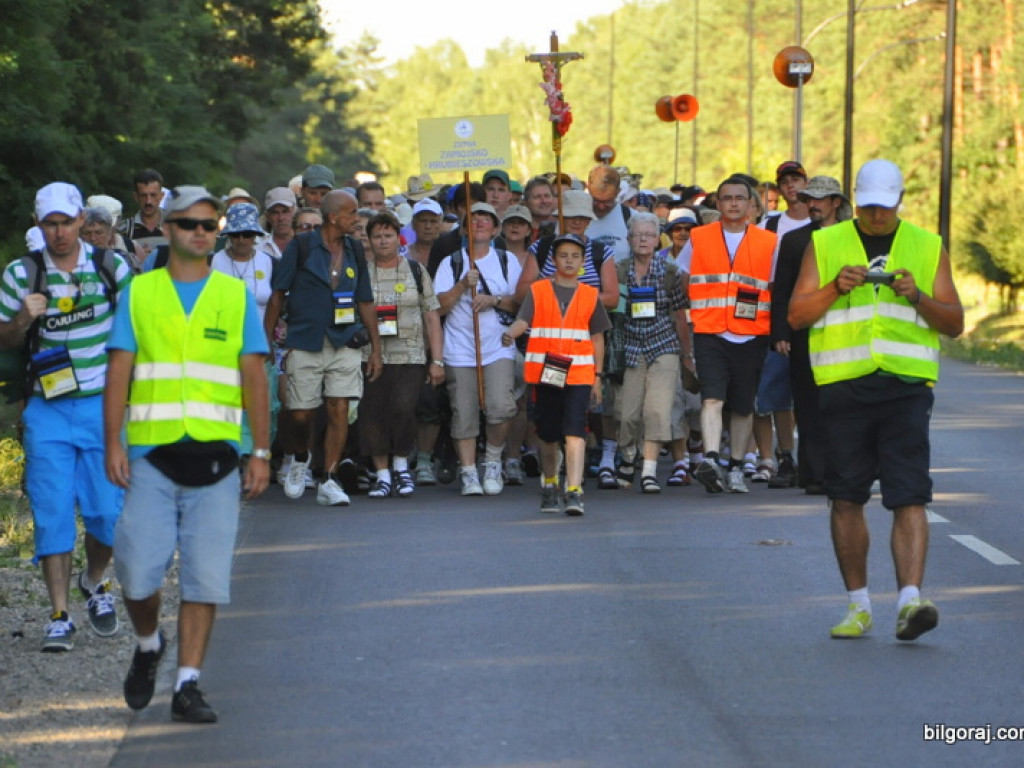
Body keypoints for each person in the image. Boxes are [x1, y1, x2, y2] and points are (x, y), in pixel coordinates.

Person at [104, 185, 270, 722]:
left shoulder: (233, 295)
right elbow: (119, 372)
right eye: (188, 224)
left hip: (217, 459)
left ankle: (188, 684)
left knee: (204, 578)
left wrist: (261, 450)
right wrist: (113, 444)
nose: (200, 232)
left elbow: (254, 376)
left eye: (208, 224)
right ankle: (150, 644)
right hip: (150, 457)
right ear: (168, 230)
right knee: (135, 575)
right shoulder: (140, 292)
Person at [788, 159, 964, 641]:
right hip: (844, 387)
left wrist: (918, 297)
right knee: (845, 497)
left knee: (909, 494)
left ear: (900, 200)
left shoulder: (927, 245)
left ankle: (911, 601)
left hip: (905, 388)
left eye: (885, 207)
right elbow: (798, 315)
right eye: (868, 207)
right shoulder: (824, 243)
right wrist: (834, 287)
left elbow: (953, 323)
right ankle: (858, 605)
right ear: (854, 203)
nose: (877, 216)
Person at [0, 182, 132, 652]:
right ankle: (59, 615)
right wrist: (21, 320)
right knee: (52, 514)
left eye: (66, 222)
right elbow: (4, 339)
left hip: (102, 407)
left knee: (106, 515)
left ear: (81, 220)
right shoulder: (21, 274)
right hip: (48, 410)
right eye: (49, 224)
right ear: (39, 225)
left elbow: (136, 330)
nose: (59, 232)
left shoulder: (111, 267)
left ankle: (94, 581)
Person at [264, 190, 381, 506]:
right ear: (334, 217)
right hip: (305, 339)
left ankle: (328, 479)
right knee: (299, 413)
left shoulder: (354, 249)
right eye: (351, 213)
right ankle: (300, 457)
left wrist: (376, 350)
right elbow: (278, 295)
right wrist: (265, 338)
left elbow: (366, 301)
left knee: (339, 407)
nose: (356, 219)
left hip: (344, 340)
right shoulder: (301, 247)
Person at [679, 176, 777, 494]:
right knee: (711, 398)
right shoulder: (699, 237)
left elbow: (775, 286)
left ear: (751, 204)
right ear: (718, 204)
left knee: (743, 406)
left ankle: (735, 467)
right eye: (726, 198)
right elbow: (683, 277)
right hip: (710, 330)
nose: (733, 203)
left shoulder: (768, 241)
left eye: (739, 198)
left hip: (751, 334)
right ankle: (710, 459)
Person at [502, 233, 610, 515]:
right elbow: (523, 320)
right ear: (553, 260)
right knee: (548, 436)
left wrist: (598, 376)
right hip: (545, 375)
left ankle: (574, 490)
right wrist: (510, 334)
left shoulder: (589, 295)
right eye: (564, 255)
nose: (570, 261)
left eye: (575, 256)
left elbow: (597, 337)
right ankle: (550, 484)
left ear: (583, 261)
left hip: (579, 375)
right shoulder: (538, 291)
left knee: (575, 432)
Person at [771, 176, 852, 494]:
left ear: (836, 203)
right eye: (809, 198)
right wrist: (780, 333)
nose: (813, 204)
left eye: (821, 198)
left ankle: (845, 471)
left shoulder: (854, 238)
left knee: (846, 406)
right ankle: (814, 474)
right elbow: (782, 292)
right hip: (805, 334)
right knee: (807, 405)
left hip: (848, 335)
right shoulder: (794, 241)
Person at [434, 203, 522, 496]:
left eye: (487, 219)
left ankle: (493, 461)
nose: (481, 223)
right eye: (474, 219)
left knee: (501, 406)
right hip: (460, 348)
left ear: (496, 229)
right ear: (464, 229)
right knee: (464, 412)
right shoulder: (452, 263)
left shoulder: (508, 261)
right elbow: (439, 306)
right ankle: (469, 471)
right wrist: (462, 285)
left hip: (498, 347)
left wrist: (493, 299)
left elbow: (521, 303)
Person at [361, 213, 444, 497]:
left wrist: (437, 360)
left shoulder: (416, 270)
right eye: (377, 236)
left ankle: (401, 466)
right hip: (371, 354)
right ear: (369, 240)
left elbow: (432, 315)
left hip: (411, 354)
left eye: (388, 235)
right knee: (373, 413)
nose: (383, 241)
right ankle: (382, 474)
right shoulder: (362, 272)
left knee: (403, 407)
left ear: (399, 238)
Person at [615, 212, 690, 493]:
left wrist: (686, 354)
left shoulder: (672, 273)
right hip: (631, 345)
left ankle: (649, 470)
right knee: (627, 414)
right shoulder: (619, 270)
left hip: (664, 344)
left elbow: (680, 314)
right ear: (629, 239)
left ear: (658, 240)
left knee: (658, 411)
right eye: (638, 235)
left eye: (649, 235)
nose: (643, 239)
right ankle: (627, 457)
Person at [212, 203, 277, 457]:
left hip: (259, 344)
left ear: (256, 236)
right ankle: (232, 456)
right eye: (236, 234)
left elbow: (275, 302)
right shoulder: (216, 261)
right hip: (225, 345)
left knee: (261, 403)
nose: (241, 240)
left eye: (247, 234)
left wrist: (270, 339)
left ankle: (256, 455)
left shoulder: (268, 262)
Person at [586, 165, 633, 263]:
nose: (601, 207)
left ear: (618, 192)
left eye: (608, 202)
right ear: (588, 188)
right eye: (596, 200)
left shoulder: (631, 217)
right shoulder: (574, 218)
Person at [123, 169, 167, 255]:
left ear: (162, 196)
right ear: (136, 197)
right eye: (143, 196)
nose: (148, 201)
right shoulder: (125, 230)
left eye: (153, 195)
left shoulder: (175, 227)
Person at [259, 187, 297, 261]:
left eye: (285, 211)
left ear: (294, 212)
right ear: (267, 216)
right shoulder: (259, 249)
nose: (281, 218)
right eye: (275, 212)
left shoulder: (304, 245)